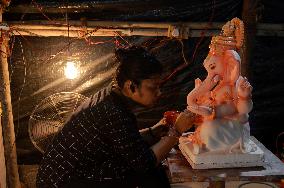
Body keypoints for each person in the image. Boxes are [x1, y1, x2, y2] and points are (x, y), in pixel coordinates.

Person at [36, 46, 194, 188]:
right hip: (63, 182)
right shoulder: (112, 111)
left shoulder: (110, 96)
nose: (159, 93)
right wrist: (176, 131)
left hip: (62, 175)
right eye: (153, 87)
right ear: (130, 86)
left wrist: (154, 131)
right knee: (146, 174)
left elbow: (125, 143)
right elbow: (145, 163)